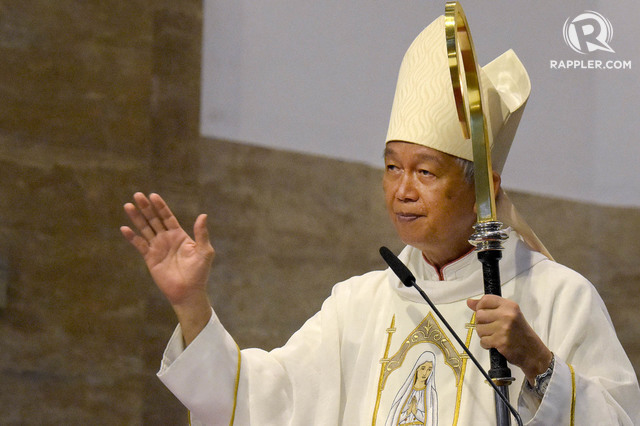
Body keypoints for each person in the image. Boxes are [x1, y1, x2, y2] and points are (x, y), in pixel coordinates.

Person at [121, 15, 640, 425]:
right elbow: (260, 402)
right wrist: (192, 305)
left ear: (486, 190)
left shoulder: (558, 297)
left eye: (425, 171)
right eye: (392, 167)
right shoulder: (358, 305)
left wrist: (538, 362)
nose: (402, 191)